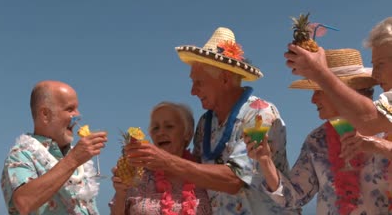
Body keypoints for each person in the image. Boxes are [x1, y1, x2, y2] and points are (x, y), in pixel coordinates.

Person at [126, 27, 296, 214]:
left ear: (225, 79)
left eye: (198, 82)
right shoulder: (205, 125)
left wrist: (165, 160)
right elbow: (194, 173)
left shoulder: (259, 113)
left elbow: (234, 181)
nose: (192, 91)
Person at [247, 48, 390, 214]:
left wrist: (380, 146)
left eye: (319, 90)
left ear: (342, 92)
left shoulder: (387, 129)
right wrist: (265, 160)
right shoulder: (317, 140)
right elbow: (292, 198)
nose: (312, 99)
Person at [285, 17, 392, 206]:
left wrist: (319, 71)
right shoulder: (317, 140)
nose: (375, 75)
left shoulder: (381, 125)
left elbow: (368, 120)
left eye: (380, 64)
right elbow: (293, 196)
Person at [0, 80, 108, 215]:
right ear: (45, 114)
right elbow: (23, 202)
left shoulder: (80, 162)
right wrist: (73, 160)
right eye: (70, 109)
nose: (78, 115)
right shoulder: (21, 155)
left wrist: (121, 193)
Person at [109, 101, 212, 214]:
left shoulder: (204, 173)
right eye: (155, 128)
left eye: (169, 126)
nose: (160, 132)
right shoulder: (137, 174)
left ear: (187, 133)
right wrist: (121, 194)